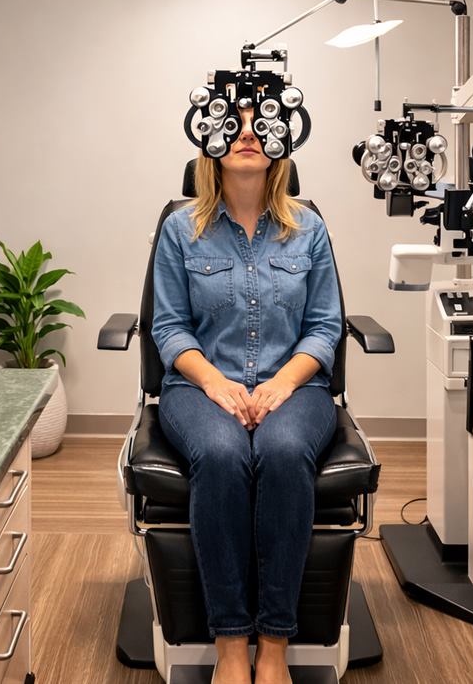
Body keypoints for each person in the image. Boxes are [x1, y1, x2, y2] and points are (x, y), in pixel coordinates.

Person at [150, 109, 343, 684]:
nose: (248, 134)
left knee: (283, 454)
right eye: (232, 123)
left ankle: (276, 644)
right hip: (199, 386)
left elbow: (325, 326)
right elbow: (169, 328)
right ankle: (231, 642)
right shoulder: (181, 229)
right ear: (207, 142)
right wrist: (216, 382)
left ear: (284, 142)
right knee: (222, 454)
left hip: (296, 386)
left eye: (262, 125)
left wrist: (283, 382)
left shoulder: (308, 229)